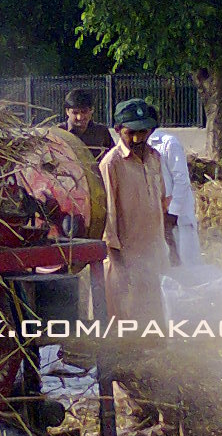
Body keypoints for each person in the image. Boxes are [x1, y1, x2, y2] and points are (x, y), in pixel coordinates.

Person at [99, 99, 171, 322]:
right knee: (125, 323)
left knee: (154, 317)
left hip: (153, 255)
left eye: (143, 132)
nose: (138, 139)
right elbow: (108, 221)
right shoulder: (111, 164)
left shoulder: (154, 158)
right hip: (125, 260)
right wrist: (121, 266)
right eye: (131, 133)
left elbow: (160, 205)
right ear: (118, 130)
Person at [148, 126, 201, 265]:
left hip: (176, 215)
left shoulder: (169, 143)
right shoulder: (135, 147)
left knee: (186, 262)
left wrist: (172, 213)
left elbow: (181, 179)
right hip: (157, 215)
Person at [63, 88, 112, 160]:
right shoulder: (58, 132)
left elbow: (111, 158)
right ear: (67, 111)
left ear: (92, 110)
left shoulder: (102, 132)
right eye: (75, 113)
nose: (80, 117)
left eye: (84, 112)